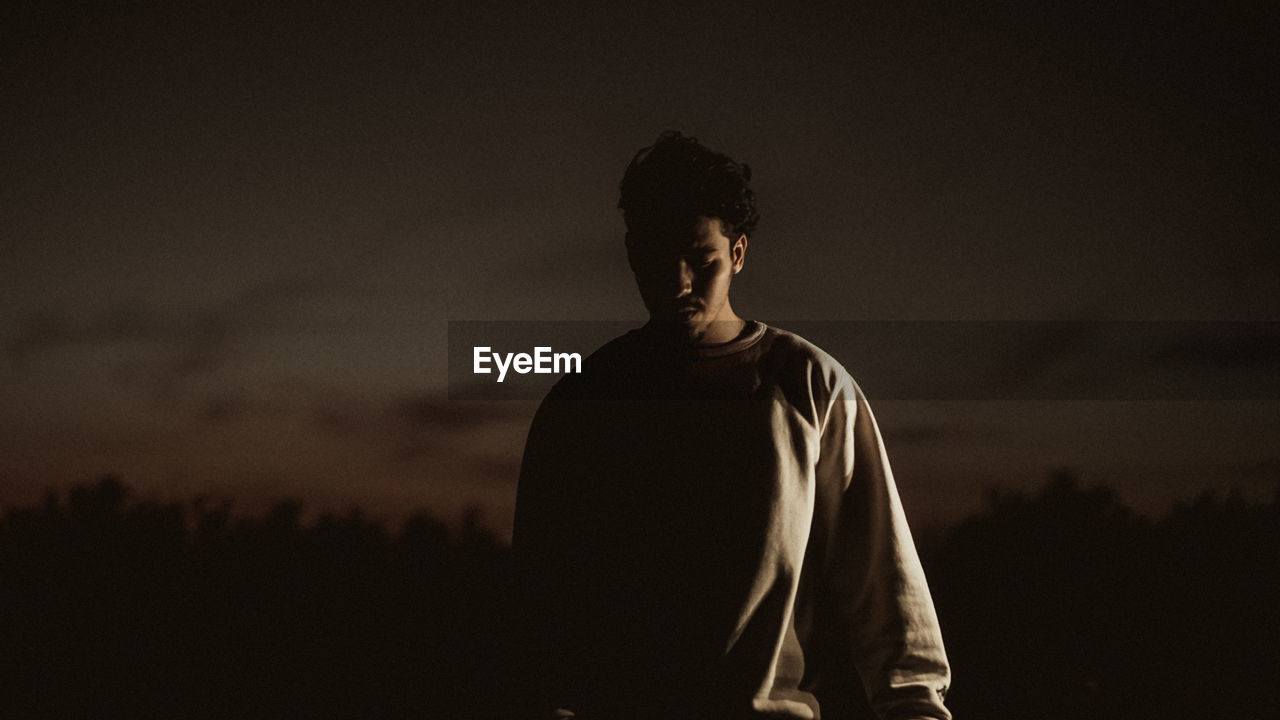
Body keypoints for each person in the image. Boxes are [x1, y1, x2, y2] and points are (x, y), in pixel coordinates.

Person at [511, 132, 951, 720]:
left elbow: (884, 586)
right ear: (630, 250)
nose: (678, 283)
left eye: (702, 259)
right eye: (657, 256)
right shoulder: (583, 402)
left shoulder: (810, 387)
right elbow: (542, 608)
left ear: (738, 253)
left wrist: (915, 708)